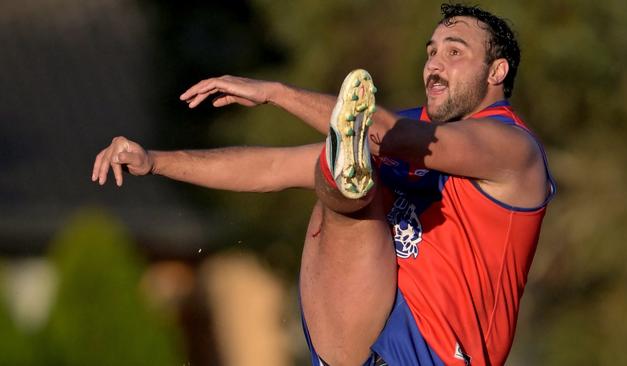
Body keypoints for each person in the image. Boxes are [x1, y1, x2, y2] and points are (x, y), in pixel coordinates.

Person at [92, 3, 555, 365]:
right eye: (431, 51)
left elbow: (393, 134)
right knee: (333, 182)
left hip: (433, 355)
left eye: (454, 52)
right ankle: (342, 179)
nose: (434, 63)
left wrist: (276, 92)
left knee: (354, 161)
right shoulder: (396, 128)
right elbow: (270, 168)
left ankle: (344, 174)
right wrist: (154, 161)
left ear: (497, 72)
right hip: (354, 333)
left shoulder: (512, 148)